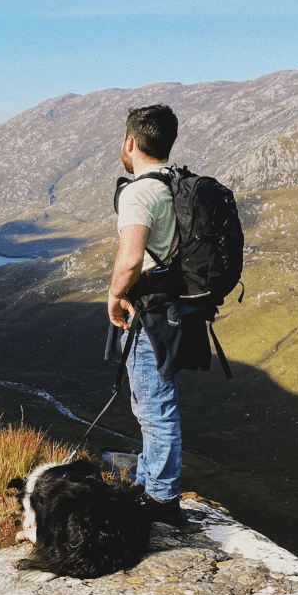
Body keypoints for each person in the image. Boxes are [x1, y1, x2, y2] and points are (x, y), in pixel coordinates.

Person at [105, 104, 213, 526]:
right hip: (175, 312)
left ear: (130, 142)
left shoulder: (138, 191)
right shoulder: (175, 183)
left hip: (149, 314)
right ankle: (152, 482)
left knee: (155, 406)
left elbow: (131, 259)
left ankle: (163, 501)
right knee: (151, 402)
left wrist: (114, 295)